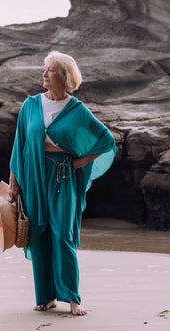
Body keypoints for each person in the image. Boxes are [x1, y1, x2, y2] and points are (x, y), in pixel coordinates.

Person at [8, 50, 116, 316]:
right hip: (33, 175)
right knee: (37, 233)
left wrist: (80, 162)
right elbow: (18, 145)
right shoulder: (30, 105)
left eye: (50, 70)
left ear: (64, 76)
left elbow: (105, 140)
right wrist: (14, 182)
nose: (44, 74)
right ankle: (46, 297)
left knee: (62, 234)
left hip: (62, 177)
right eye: (45, 69)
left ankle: (72, 298)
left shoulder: (76, 110)